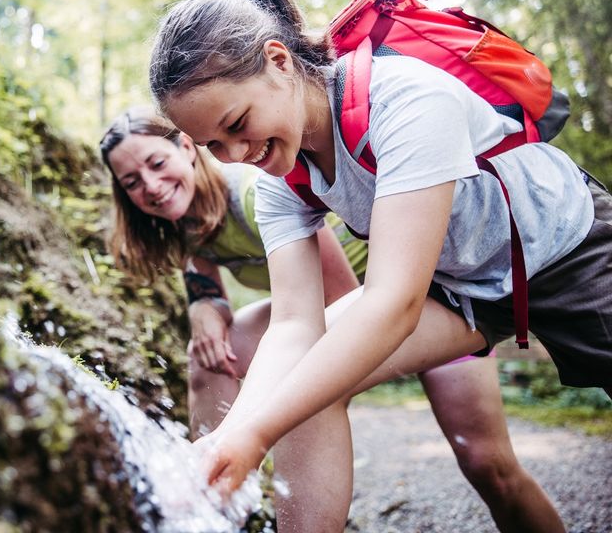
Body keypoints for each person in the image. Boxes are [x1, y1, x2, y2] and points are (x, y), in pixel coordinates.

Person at [99, 106, 566, 532]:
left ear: (186, 147)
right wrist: (205, 308)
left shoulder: (251, 191)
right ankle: (215, 494)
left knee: (488, 464)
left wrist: (300, 404)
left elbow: (346, 301)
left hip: (425, 297)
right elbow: (211, 296)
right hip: (352, 319)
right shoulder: (185, 226)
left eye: (156, 164)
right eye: (132, 182)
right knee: (217, 349)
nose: (151, 186)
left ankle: (220, 477)